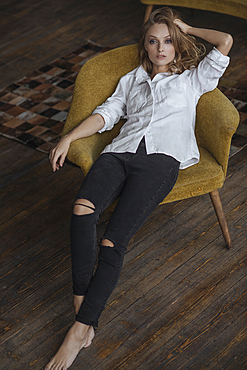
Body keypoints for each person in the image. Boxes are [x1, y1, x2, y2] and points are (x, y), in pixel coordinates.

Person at [45, 7, 233, 370]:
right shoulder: (131, 80)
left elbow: (225, 41)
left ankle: (78, 332)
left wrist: (187, 27)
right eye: (153, 41)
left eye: (167, 41)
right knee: (82, 209)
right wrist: (69, 137)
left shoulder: (193, 79)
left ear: (177, 45)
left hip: (160, 161)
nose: (161, 48)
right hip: (119, 154)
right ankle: (83, 307)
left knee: (113, 240)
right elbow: (107, 113)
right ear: (144, 46)